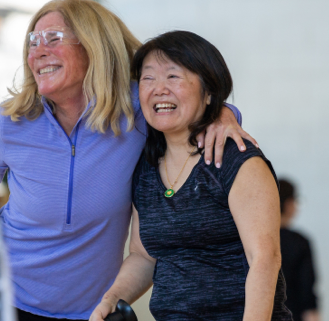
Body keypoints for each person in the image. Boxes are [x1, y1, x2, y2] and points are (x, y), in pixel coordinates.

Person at [0, 0, 255, 320]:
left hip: (91, 311)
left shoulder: (135, 111)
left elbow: (186, 105)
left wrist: (223, 114)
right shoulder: (8, 122)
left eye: (53, 38)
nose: (38, 51)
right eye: (33, 42)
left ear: (93, 46)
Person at [91, 31, 292, 321]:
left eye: (173, 76)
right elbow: (144, 256)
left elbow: (265, 259)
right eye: (148, 78)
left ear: (209, 92)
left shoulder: (236, 159)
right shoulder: (145, 168)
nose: (159, 89)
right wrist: (111, 298)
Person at [279, 179, 320, 321]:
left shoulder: (251, 240)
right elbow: (307, 289)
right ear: (289, 204)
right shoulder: (299, 242)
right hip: (292, 314)